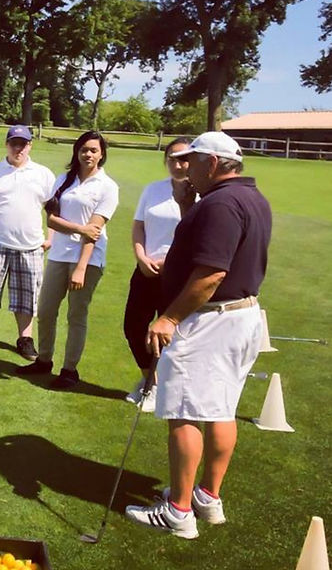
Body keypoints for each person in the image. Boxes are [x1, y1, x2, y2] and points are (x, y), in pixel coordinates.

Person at [126, 132, 271, 540]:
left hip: (210, 321)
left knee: (184, 411)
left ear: (213, 162)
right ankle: (207, 496)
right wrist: (189, 205)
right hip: (241, 317)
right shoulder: (248, 198)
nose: (185, 167)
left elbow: (211, 273)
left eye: (193, 161)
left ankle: (178, 512)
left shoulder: (222, 204)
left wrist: (168, 318)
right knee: (221, 407)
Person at [16, 131, 118, 389]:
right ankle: (44, 360)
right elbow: (51, 219)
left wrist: (81, 268)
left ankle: (69, 370)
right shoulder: (64, 180)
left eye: (94, 150)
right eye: (84, 149)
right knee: (47, 309)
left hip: (88, 260)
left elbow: (93, 232)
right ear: (77, 151)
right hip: (60, 255)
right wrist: (79, 228)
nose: (88, 154)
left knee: (76, 314)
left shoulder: (108, 187)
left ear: (102, 154)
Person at [0, 125, 55, 357]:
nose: (18, 148)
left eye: (23, 144)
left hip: (30, 245)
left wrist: (50, 237)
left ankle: (25, 339)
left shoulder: (43, 174)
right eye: (14, 143)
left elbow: (52, 209)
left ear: (30, 145)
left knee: (28, 296)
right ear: (7, 144)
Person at [122, 137, 195, 412]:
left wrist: (171, 262)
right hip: (145, 269)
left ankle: (160, 387)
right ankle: (148, 380)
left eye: (184, 158)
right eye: (173, 158)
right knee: (133, 326)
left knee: (167, 334)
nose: (178, 164)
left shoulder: (200, 195)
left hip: (178, 275)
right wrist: (140, 256)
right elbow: (139, 226)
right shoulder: (153, 190)